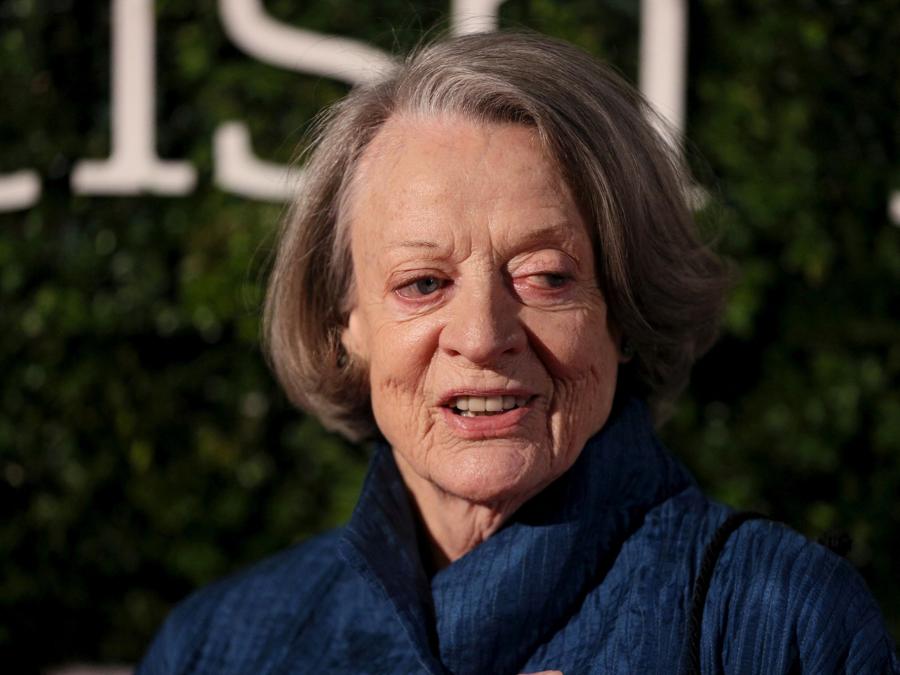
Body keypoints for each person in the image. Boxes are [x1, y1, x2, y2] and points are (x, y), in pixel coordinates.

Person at [137, 32, 899, 674]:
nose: (482, 333)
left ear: (623, 311)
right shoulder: (219, 645)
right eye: (424, 282)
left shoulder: (777, 625)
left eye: (544, 276)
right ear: (347, 325)